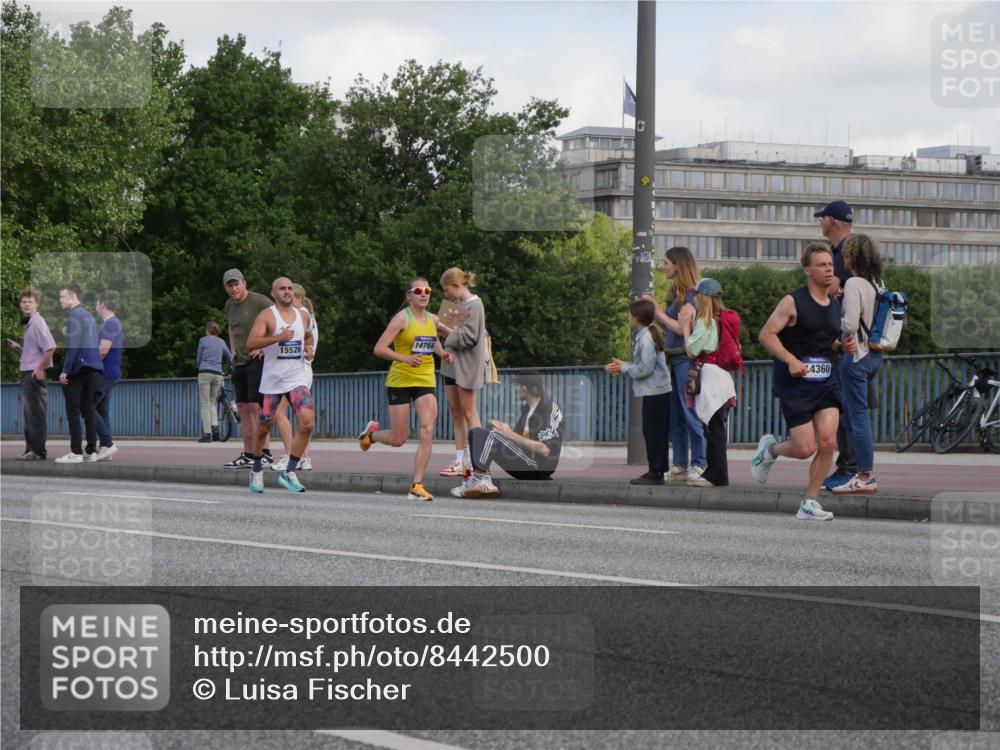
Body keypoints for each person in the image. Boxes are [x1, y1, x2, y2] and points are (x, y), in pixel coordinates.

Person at [751, 244, 857, 520]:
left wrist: (839, 347)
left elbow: (824, 341)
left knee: (827, 442)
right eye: (821, 265)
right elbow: (766, 335)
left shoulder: (834, 303)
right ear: (807, 270)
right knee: (804, 448)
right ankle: (770, 450)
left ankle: (809, 502)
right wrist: (790, 360)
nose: (828, 268)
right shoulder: (792, 301)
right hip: (795, 383)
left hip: (825, 382)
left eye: (830, 265)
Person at [359, 277, 452, 501]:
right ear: (409, 295)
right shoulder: (402, 319)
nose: (424, 294)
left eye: (427, 290)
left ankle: (416, 485)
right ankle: (371, 436)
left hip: (425, 379)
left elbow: (433, 339)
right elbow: (379, 349)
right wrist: (405, 358)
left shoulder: (433, 319)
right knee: (399, 438)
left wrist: (442, 354)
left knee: (427, 429)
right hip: (400, 380)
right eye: (418, 290)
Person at [245, 277, 315, 494]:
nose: (287, 292)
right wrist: (277, 337)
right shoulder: (267, 315)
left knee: (307, 424)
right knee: (264, 427)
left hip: (297, 378)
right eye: (282, 289)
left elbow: (309, 336)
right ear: (274, 294)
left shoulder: (303, 315)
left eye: (289, 288)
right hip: (273, 381)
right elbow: (251, 343)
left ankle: (289, 471)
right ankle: (256, 469)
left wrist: (309, 349)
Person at [643, 246, 706, 483]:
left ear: (679, 265)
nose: (664, 266)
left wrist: (657, 312)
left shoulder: (691, 296)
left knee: (690, 412)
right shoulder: (677, 293)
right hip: (673, 359)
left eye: (667, 263)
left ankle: (700, 462)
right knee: (676, 416)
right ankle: (680, 463)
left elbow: (681, 328)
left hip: (684, 360)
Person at [450, 370, 564, 498]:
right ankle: (480, 479)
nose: (516, 389)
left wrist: (509, 434)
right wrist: (504, 429)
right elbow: (517, 438)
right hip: (525, 460)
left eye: (518, 386)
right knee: (479, 432)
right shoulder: (528, 408)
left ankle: (479, 477)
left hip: (537, 468)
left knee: (492, 434)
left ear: (524, 388)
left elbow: (544, 450)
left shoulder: (546, 410)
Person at [815, 199, 861, 490]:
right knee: (848, 407)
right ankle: (852, 467)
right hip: (854, 340)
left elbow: (830, 289)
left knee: (846, 408)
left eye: (822, 218)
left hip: (849, 341)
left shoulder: (845, 252)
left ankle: (851, 468)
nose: (820, 223)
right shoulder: (855, 249)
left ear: (831, 221)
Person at [833, 234, 884, 495]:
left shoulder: (853, 282)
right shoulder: (875, 282)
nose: (842, 257)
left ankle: (864, 475)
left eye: (845, 253)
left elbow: (851, 324)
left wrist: (836, 327)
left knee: (858, 417)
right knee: (853, 415)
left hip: (856, 356)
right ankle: (859, 472)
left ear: (852, 256)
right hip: (874, 355)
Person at [605, 299, 671, 486]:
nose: (628, 317)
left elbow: (645, 369)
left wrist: (624, 368)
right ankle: (657, 470)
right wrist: (623, 366)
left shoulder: (645, 338)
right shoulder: (648, 334)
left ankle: (655, 472)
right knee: (656, 432)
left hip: (655, 392)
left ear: (637, 318)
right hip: (658, 391)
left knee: (653, 432)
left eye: (630, 314)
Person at [434, 268, 488, 477]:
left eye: (447, 289)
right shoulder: (454, 305)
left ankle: (478, 460)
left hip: (467, 366)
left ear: (456, 286)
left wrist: (444, 329)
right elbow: (441, 333)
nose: (446, 294)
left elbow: (469, 337)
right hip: (450, 364)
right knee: (456, 412)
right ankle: (460, 460)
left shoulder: (476, 304)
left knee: (469, 412)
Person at [684, 278, 736, 488]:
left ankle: (717, 475)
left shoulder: (704, 322)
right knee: (716, 428)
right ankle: (714, 472)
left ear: (702, 297)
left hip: (711, 379)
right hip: (722, 377)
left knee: (714, 430)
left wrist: (685, 327)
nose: (693, 298)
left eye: (695, 295)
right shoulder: (720, 319)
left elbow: (691, 350)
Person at [222, 268, 274, 469]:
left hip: (258, 359)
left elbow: (277, 322)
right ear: (226, 288)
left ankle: (265, 452)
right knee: (242, 407)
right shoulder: (229, 305)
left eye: (237, 284)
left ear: (244, 283)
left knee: (257, 407)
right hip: (240, 360)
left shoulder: (260, 302)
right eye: (230, 285)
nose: (234, 288)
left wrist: (264, 346)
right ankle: (248, 453)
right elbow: (231, 327)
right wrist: (233, 350)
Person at [55, 283, 103, 463]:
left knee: (72, 411)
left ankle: (75, 452)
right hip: (92, 367)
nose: (60, 300)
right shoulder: (89, 315)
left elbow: (73, 347)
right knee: (88, 410)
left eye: (62, 296)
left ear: (73, 296)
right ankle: (91, 451)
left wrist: (65, 370)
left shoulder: (74, 315)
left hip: (77, 369)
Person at [271, 284, 317, 471]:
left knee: (278, 413)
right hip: (304, 370)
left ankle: (291, 455)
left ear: (297, 298)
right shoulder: (308, 317)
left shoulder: (300, 318)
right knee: (302, 418)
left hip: (297, 371)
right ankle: (304, 458)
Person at [10, 288, 56, 460]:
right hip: (28, 372)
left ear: (36, 304)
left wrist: (39, 369)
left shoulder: (37, 323)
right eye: (24, 302)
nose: (27, 304)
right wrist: (20, 349)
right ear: (20, 304)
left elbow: (50, 348)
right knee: (30, 414)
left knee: (35, 414)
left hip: (33, 375)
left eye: (30, 301)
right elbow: (35, 352)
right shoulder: (31, 323)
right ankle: (31, 450)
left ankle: (37, 452)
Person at [92, 294, 123, 461]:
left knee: (87, 406)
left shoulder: (111, 324)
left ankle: (107, 443)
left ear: (103, 305)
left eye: (97, 303)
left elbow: (103, 350)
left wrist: (87, 364)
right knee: (102, 411)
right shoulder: (111, 324)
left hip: (104, 374)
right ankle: (105, 448)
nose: (95, 306)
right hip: (110, 373)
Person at [195, 321, 232, 442]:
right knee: (212, 403)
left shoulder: (203, 340)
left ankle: (207, 434)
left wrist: (200, 367)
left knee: (205, 403)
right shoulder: (221, 342)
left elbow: (199, 358)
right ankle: (215, 431)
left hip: (205, 372)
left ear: (207, 330)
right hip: (218, 374)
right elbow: (230, 357)